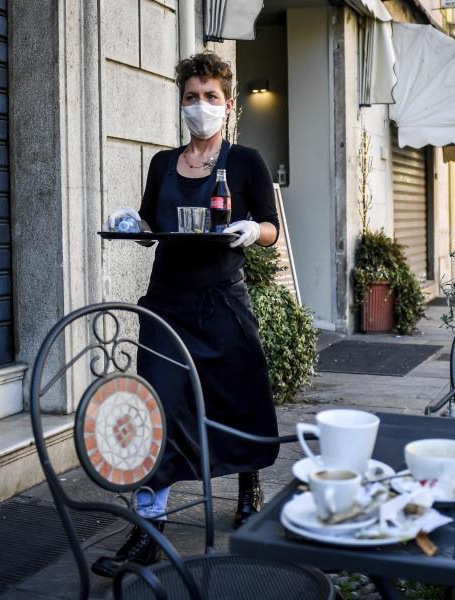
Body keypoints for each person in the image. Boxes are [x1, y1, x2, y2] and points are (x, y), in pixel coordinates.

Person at [93, 52, 280, 577]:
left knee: (238, 393)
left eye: (211, 97)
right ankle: (149, 528)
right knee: (157, 405)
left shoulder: (245, 162)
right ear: (182, 102)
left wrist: (253, 232)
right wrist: (132, 224)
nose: (201, 106)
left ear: (228, 103)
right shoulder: (161, 163)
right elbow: (152, 223)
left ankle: (248, 485)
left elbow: (270, 227)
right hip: (168, 302)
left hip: (222, 298)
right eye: (192, 97)